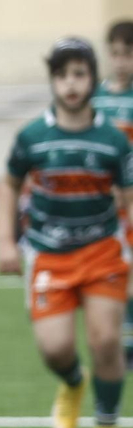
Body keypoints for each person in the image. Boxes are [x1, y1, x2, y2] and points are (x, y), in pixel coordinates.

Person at [0, 38, 131, 428]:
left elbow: (128, 194)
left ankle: (107, 425)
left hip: (101, 251)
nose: (70, 84)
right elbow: (9, 183)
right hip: (48, 253)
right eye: (62, 75)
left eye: (79, 74)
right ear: (52, 80)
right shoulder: (32, 135)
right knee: (55, 349)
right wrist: (4, 240)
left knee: (106, 340)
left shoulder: (113, 140)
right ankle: (74, 382)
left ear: (92, 78)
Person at [90, 21, 133, 369]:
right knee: (115, 273)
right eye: (116, 54)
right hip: (106, 204)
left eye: (128, 54)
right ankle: (118, 339)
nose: (121, 61)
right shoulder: (97, 98)